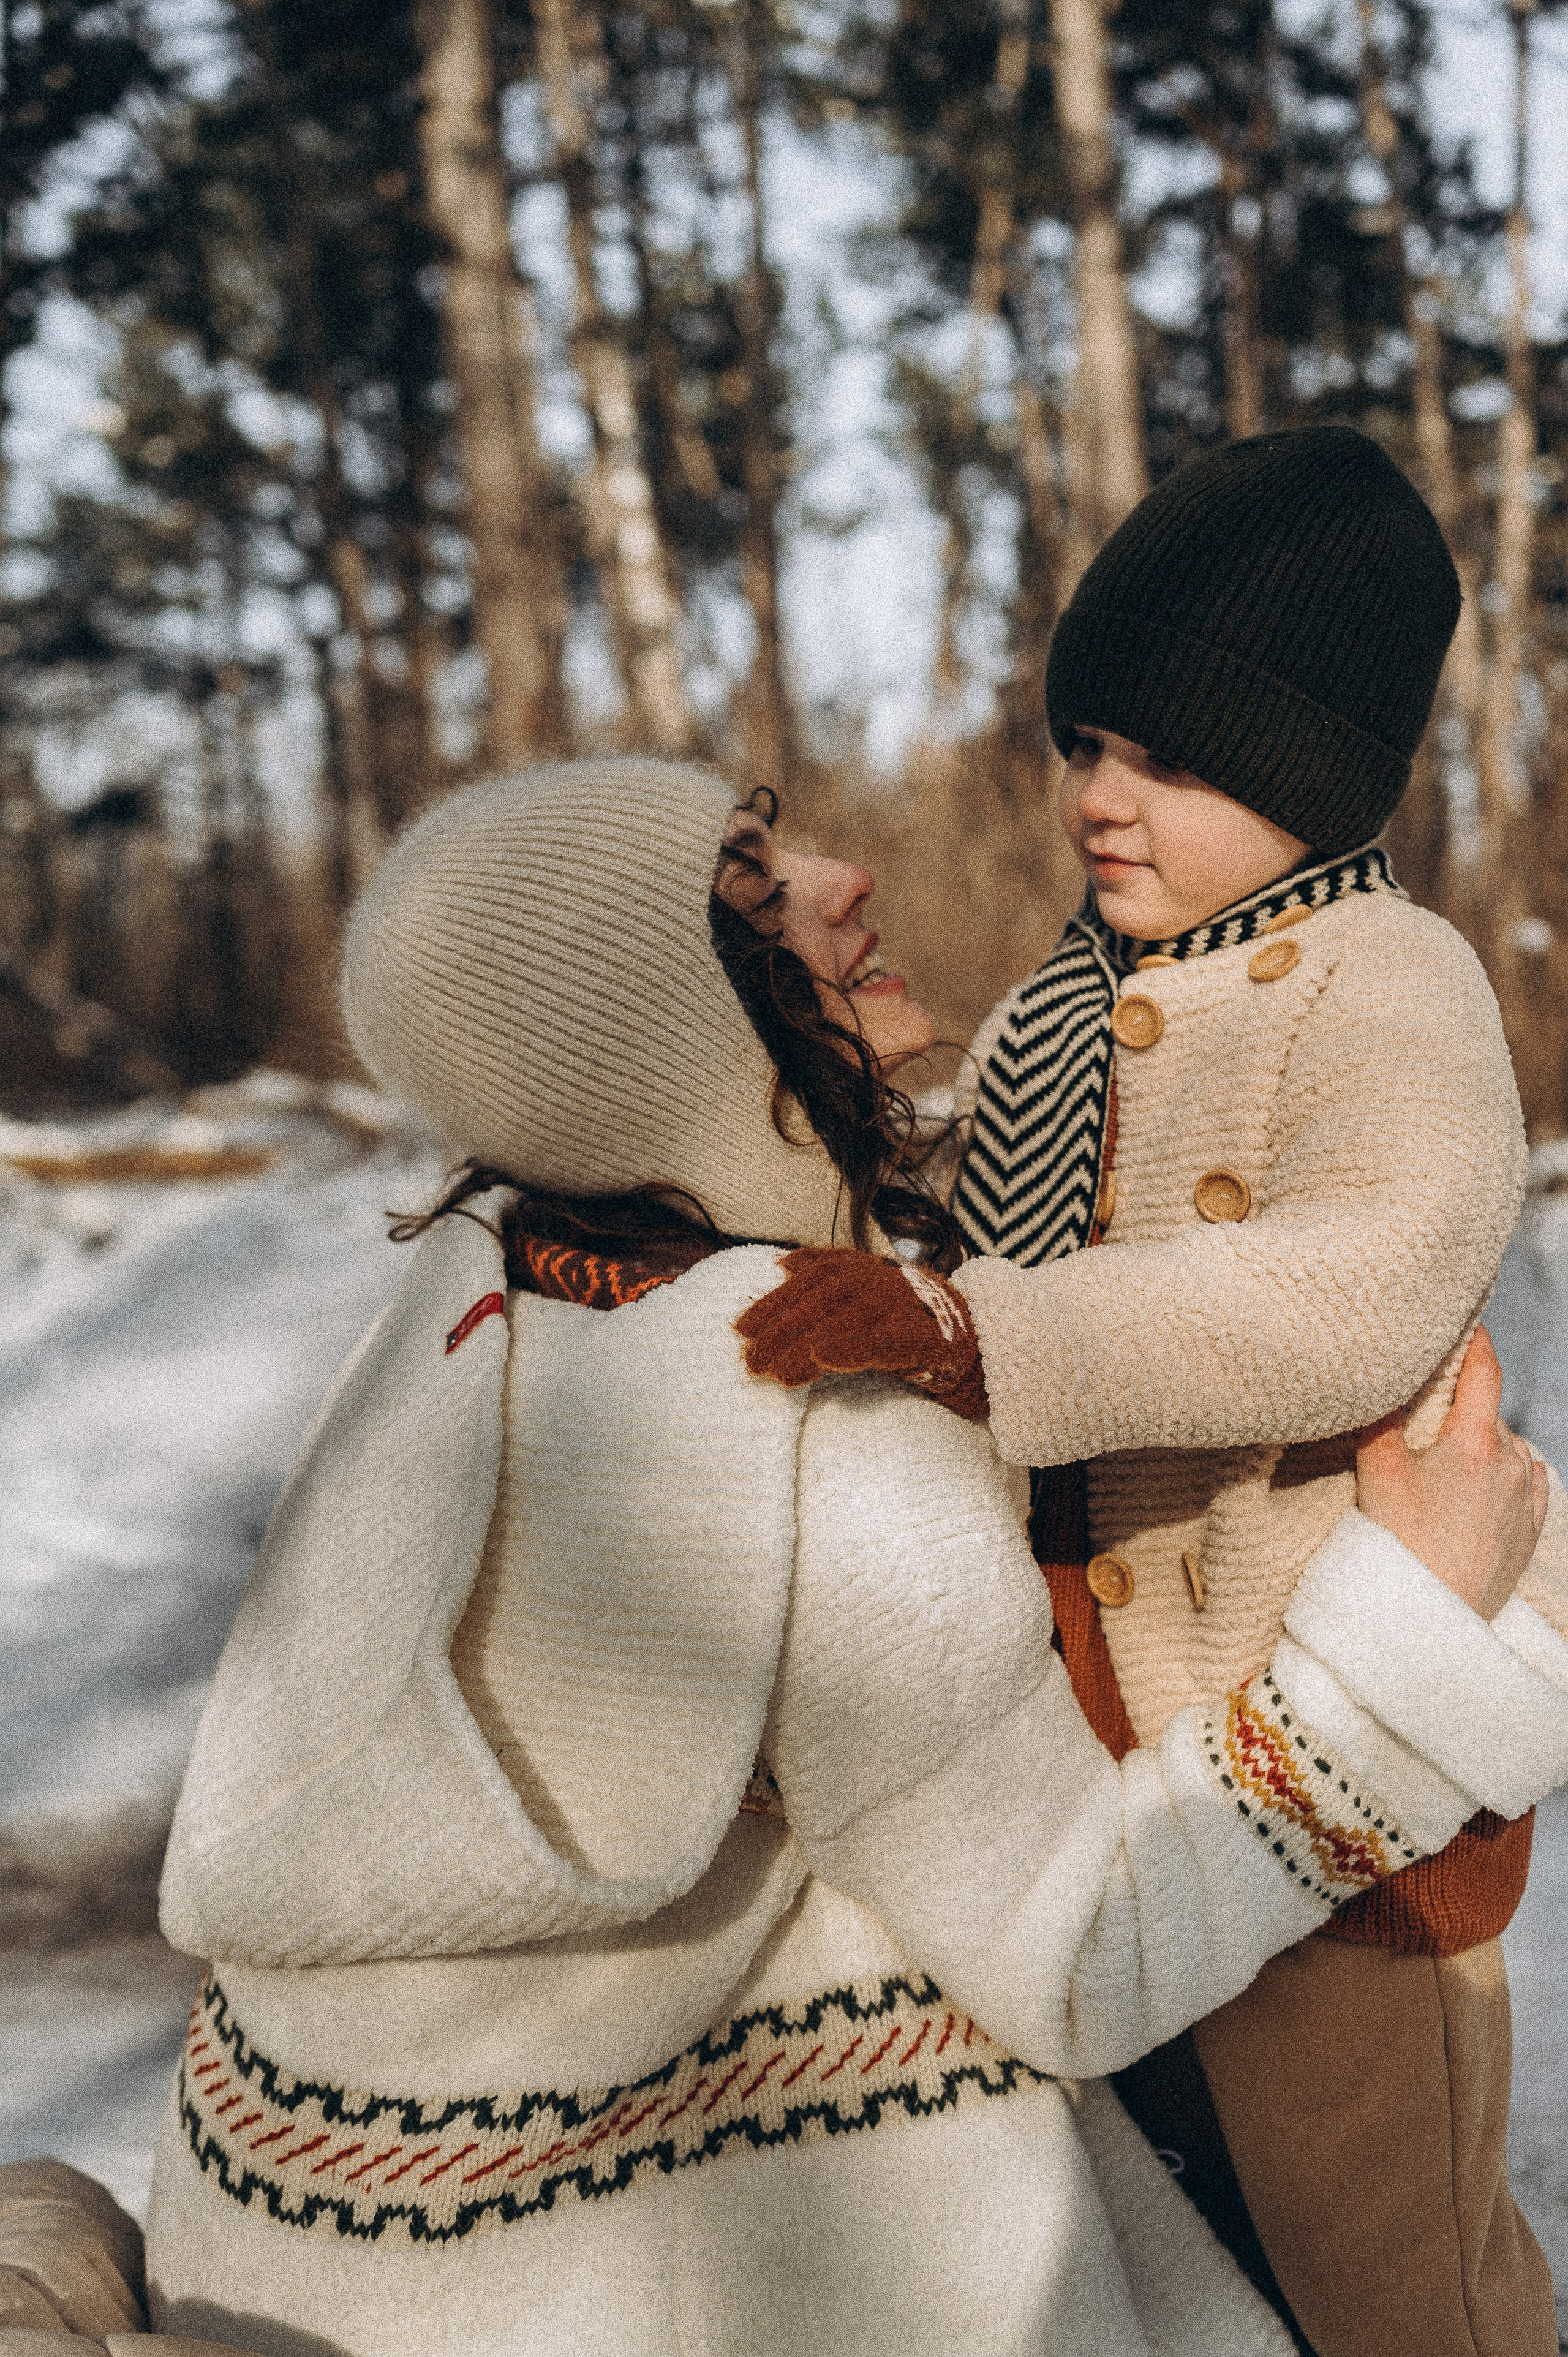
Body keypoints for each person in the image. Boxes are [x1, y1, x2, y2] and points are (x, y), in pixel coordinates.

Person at [134, 758, 1568, 2357]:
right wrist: (1419, 1628)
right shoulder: (802, 1414)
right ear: (662, 1030)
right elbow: (1085, 1952)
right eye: (757, 891)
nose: (843, 878)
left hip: (322, 2270)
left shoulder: (473, 1305)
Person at [736, 426, 1568, 2356]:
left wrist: (987, 1345)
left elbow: (1356, 1289)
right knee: (1158, 2247)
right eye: (1085, 742)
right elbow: (982, 1219)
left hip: (1333, 1733)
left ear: (1310, 773)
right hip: (1094, 1749)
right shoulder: (1062, 1001)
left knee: (1385, 2266)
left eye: (1170, 762)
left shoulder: (1390, 980)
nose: (1103, 800)